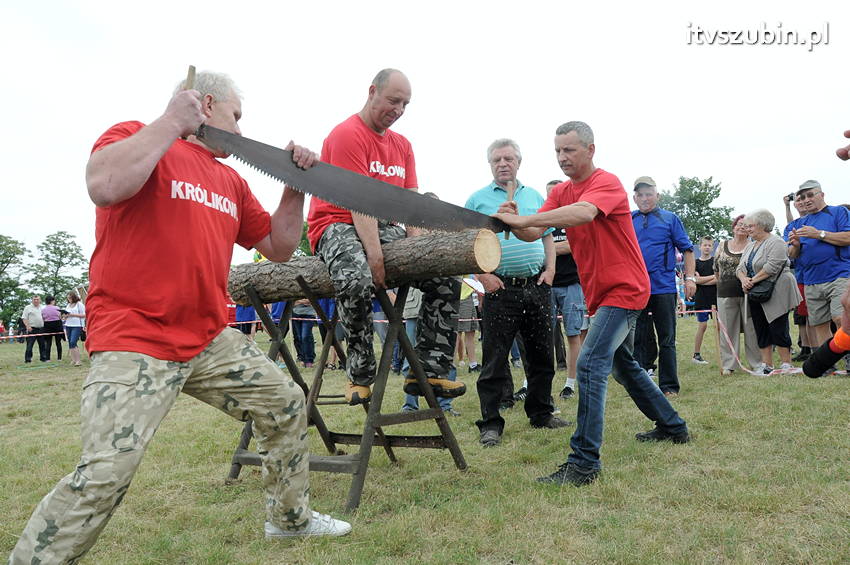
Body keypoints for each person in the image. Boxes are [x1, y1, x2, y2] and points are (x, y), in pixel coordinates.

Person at [9, 71, 351, 564]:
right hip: (135, 335)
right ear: (206, 104)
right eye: (236, 116)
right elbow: (103, 185)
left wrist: (295, 187)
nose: (241, 129)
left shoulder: (230, 179)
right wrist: (172, 121)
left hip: (208, 339)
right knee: (107, 471)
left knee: (284, 403)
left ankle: (289, 519)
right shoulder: (135, 135)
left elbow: (278, 246)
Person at [493, 120, 689, 486]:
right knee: (623, 367)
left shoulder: (606, 183)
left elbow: (584, 213)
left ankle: (584, 463)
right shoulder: (561, 192)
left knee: (589, 364)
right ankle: (673, 426)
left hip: (625, 289)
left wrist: (526, 218)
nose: (562, 157)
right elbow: (534, 233)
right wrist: (513, 221)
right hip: (599, 294)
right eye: (557, 151)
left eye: (569, 150)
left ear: (590, 149)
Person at [306, 68, 464, 405]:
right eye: (394, 100)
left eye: (405, 104)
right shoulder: (347, 134)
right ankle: (360, 373)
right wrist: (375, 256)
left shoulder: (402, 145)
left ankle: (428, 371)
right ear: (372, 91)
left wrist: (420, 252)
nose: (399, 109)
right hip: (337, 222)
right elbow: (358, 203)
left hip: (380, 226)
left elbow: (411, 205)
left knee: (444, 276)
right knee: (356, 278)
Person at [466, 138, 568, 448]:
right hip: (500, 288)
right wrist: (484, 276)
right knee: (495, 359)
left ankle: (541, 412)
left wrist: (551, 270)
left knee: (541, 355)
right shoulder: (477, 200)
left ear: (519, 162)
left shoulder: (534, 196)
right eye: (496, 159)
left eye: (508, 158)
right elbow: (465, 244)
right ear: (489, 164)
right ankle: (491, 423)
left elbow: (547, 235)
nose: (503, 164)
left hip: (536, 286)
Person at [631, 176, 696, 397]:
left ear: (657, 196)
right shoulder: (628, 220)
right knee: (639, 337)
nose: (645, 198)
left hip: (664, 287)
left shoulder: (670, 218)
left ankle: (669, 386)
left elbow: (687, 249)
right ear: (634, 198)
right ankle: (641, 383)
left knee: (667, 338)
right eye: (640, 194)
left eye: (649, 194)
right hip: (637, 288)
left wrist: (690, 279)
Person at [736, 209, 802, 374]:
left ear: (762, 225)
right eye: (746, 226)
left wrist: (751, 280)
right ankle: (767, 364)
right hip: (755, 291)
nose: (747, 229)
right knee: (761, 327)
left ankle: (786, 363)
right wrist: (744, 280)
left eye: (751, 226)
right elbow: (740, 268)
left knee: (778, 326)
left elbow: (772, 267)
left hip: (777, 288)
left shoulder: (777, 242)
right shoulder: (750, 245)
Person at [787, 180, 850, 348]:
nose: (806, 200)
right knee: (819, 324)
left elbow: (848, 237)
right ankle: (829, 360)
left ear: (822, 195)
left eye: (810, 195)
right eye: (802, 197)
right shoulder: (797, 224)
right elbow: (791, 255)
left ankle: (847, 355)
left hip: (839, 275)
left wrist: (819, 234)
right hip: (811, 280)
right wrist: (796, 245)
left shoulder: (838, 212)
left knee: (840, 319)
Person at [546, 179, 588, 399]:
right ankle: (534, 383)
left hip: (572, 283)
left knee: (573, 335)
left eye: (556, 192)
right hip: (546, 284)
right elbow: (536, 246)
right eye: (549, 193)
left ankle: (570, 384)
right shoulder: (543, 221)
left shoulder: (573, 220)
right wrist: (557, 247)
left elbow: (575, 245)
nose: (553, 197)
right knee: (543, 337)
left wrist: (549, 247)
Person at [713, 215, 761, 374]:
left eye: (746, 225)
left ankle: (756, 363)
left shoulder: (754, 246)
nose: (742, 227)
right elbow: (716, 269)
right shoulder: (722, 245)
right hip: (725, 293)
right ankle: (729, 365)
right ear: (733, 227)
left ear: (750, 229)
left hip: (749, 293)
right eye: (739, 224)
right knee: (727, 330)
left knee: (751, 330)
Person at [692, 237, 717, 365]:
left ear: (712, 247)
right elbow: (695, 280)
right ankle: (696, 355)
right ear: (700, 247)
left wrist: (701, 280)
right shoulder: (695, 263)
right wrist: (711, 277)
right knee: (703, 326)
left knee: (719, 326)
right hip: (701, 299)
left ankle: (724, 353)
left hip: (715, 298)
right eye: (705, 245)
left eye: (709, 245)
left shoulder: (715, 262)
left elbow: (718, 279)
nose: (707, 247)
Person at [21, 295, 47, 363]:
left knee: (43, 345)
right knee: (29, 345)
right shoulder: (27, 307)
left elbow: (45, 317)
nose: (36, 301)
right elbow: (24, 318)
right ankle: (28, 359)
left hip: (41, 329)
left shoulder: (43, 307)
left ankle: (43, 358)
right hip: (32, 329)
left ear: (40, 300)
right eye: (34, 299)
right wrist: (28, 326)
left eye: (37, 299)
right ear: (32, 300)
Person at [64, 291, 86, 367]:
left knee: (73, 342)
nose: (69, 299)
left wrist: (72, 314)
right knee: (70, 343)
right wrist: (65, 316)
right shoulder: (68, 305)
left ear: (74, 297)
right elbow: (67, 315)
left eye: (70, 297)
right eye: (68, 298)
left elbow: (84, 315)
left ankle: (78, 361)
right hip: (68, 325)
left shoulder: (79, 304)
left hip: (77, 325)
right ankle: (73, 359)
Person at [41, 295, 65, 361]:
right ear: (52, 301)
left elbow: (43, 318)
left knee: (48, 343)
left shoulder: (43, 309)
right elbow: (60, 317)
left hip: (47, 326)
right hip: (57, 326)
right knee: (58, 342)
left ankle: (48, 358)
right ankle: (59, 358)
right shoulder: (57, 308)